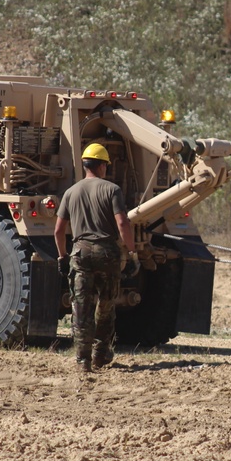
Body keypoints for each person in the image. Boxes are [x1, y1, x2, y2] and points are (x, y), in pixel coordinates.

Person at [54, 143, 136, 372]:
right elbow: (122, 223)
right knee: (106, 306)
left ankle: (83, 360)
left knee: (81, 308)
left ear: (85, 164)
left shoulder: (71, 192)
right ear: (102, 166)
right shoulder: (112, 190)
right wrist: (131, 253)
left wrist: (62, 257)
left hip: (79, 254)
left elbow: (58, 231)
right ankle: (101, 354)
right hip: (107, 254)